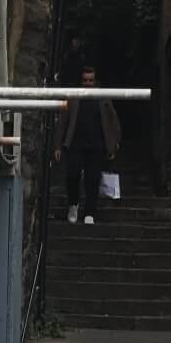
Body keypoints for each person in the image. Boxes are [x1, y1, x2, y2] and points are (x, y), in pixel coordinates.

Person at [52, 66, 120, 226]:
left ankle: (90, 212)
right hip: (75, 143)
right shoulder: (74, 97)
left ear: (95, 81)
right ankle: (73, 205)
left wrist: (113, 145)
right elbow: (63, 122)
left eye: (91, 80)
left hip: (96, 145)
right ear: (81, 81)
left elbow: (112, 121)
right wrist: (57, 146)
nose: (88, 83)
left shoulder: (103, 98)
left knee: (93, 179)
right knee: (72, 175)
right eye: (85, 80)